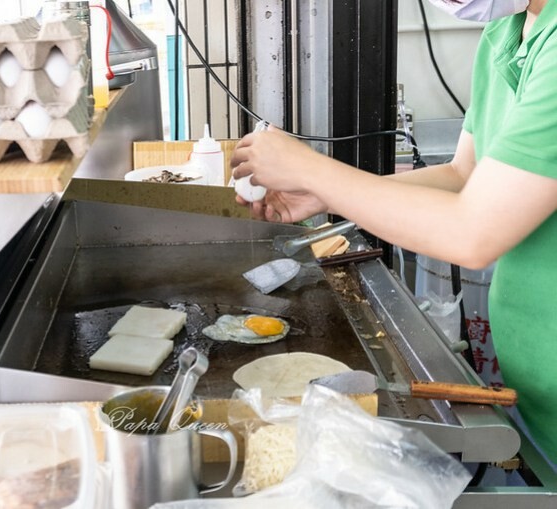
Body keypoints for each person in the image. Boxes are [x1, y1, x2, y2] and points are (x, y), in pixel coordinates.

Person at [231, 0, 557, 465]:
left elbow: (475, 232)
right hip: (535, 387)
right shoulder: (506, 34)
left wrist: (311, 168)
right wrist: (327, 194)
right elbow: (465, 173)